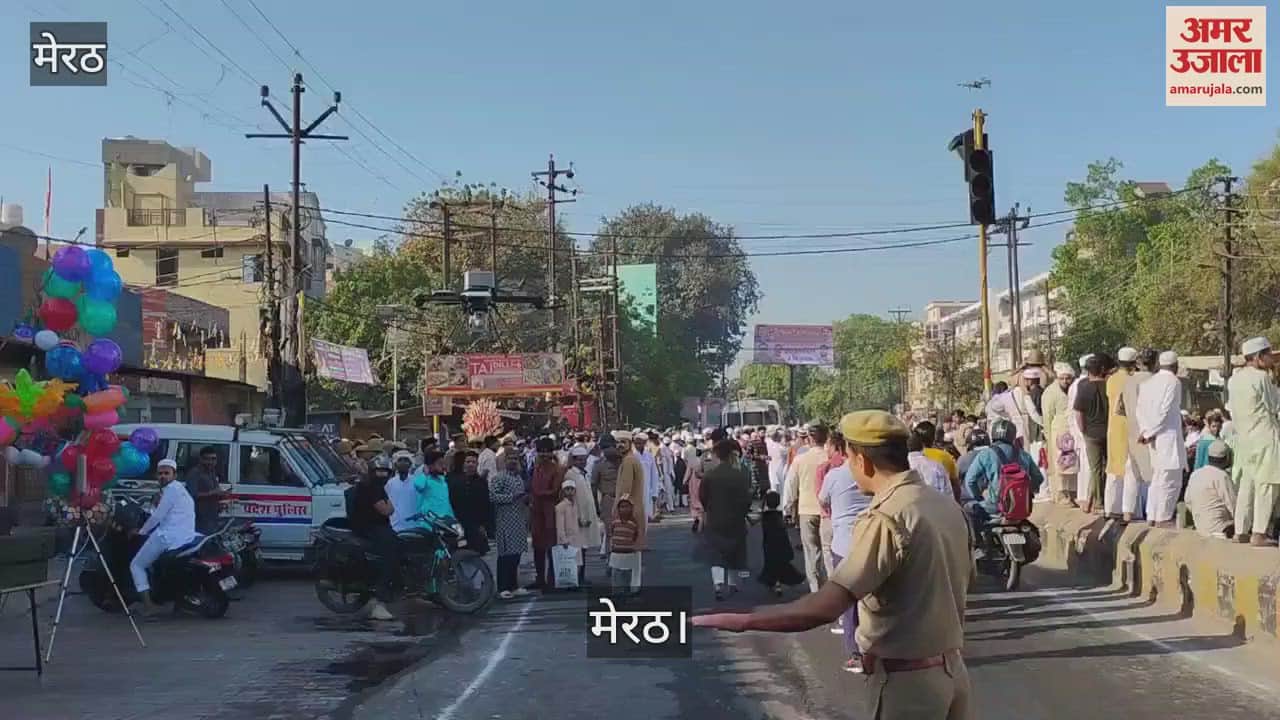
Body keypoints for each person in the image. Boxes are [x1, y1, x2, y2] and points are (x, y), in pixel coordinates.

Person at [693, 410, 974, 719]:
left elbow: (825, 607)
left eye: (849, 459)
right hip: (952, 670)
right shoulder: (943, 506)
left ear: (861, 460)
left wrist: (746, 621)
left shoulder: (887, 517)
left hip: (909, 685)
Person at [817, 430, 873, 670]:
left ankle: (855, 653)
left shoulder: (835, 475)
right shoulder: (871, 472)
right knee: (875, 597)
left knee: (848, 600)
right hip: (870, 541)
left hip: (843, 543)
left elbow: (822, 499)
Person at [1227, 337, 1280, 547]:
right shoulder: (1261, 377)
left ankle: (1240, 530)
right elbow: (1273, 405)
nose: (1270, 360)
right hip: (1265, 435)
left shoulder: (1234, 379)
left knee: (1247, 484)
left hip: (1245, 438)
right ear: (1258, 357)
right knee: (1267, 484)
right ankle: (1259, 532)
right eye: (1268, 355)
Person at [130, 459, 198, 617]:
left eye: (166, 473)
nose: (163, 476)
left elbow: (157, 517)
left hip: (168, 536)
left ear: (174, 475)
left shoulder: (172, 490)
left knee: (136, 565)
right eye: (160, 473)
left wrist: (141, 531)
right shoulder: (178, 489)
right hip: (185, 536)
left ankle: (149, 607)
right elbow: (162, 511)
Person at [963, 419, 1044, 551]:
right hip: (1021, 509)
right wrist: (1027, 494)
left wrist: (978, 498)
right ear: (1013, 435)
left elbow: (970, 480)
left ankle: (976, 545)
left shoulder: (986, 454)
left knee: (968, 508)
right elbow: (1038, 478)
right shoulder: (1024, 455)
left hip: (994, 508)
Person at [696, 439, 754, 601]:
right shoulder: (741, 474)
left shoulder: (710, 475)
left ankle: (718, 584)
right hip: (736, 519)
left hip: (715, 519)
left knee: (716, 553)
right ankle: (733, 583)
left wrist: (709, 510)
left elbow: (703, 497)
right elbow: (747, 497)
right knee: (734, 551)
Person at [1137, 351, 1185, 528]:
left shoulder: (1147, 383)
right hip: (1166, 435)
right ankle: (1163, 517)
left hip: (1151, 436)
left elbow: (1140, 410)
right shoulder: (1173, 381)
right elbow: (1165, 411)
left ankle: (1152, 514)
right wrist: (1151, 432)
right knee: (1170, 479)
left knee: (1157, 477)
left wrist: (1145, 431)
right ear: (1175, 365)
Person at [783, 423, 831, 593]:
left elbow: (790, 485)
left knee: (811, 551)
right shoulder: (830, 458)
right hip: (828, 510)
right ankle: (832, 586)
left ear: (809, 438)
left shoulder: (800, 459)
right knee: (828, 551)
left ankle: (815, 589)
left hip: (806, 509)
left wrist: (787, 508)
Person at [349, 456, 398, 620]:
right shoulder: (371, 487)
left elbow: (389, 508)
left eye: (385, 472)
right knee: (390, 557)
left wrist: (389, 507)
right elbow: (386, 510)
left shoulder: (376, 487)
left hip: (376, 527)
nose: (383, 475)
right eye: (379, 471)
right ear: (372, 471)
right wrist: (389, 507)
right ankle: (379, 600)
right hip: (370, 528)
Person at [489, 452, 530, 600]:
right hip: (505, 520)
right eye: (510, 458)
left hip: (518, 519)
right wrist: (511, 498)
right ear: (504, 461)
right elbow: (492, 496)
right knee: (505, 555)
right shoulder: (499, 477)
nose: (513, 461)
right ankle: (503, 587)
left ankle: (514, 586)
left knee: (516, 554)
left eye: (515, 458)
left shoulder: (518, 477)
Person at [1073, 354, 1110, 514]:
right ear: (1102, 369)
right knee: (1106, 467)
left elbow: (1078, 412)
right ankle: (1097, 500)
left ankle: (1096, 502)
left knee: (1095, 468)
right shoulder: (1109, 385)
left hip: (1091, 433)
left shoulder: (1083, 386)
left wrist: (1083, 429)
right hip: (1108, 431)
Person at [1104, 348, 1138, 519]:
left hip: (1113, 428)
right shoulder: (1133, 380)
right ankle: (1127, 511)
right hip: (1130, 428)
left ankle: (1110, 508)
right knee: (1130, 471)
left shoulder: (1111, 380)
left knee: (1113, 470)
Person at [1041, 363, 1078, 506]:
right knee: (1059, 463)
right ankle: (1061, 494)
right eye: (1062, 378)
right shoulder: (1050, 392)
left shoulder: (1074, 389)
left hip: (1072, 431)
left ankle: (1072, 493)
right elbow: (1047, 416)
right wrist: (1048, 435)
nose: (1065, 381)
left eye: (1068, 378)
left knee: (1072, 463)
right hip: (1057, 432)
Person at [529, 437, 564, 590]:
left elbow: (555, 491)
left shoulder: (557, 469)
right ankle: (539, 578)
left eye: (546, 451)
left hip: (550, 510)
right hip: (537, 511)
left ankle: (552, 579)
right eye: (540, 451)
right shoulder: (536, 467)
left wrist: (538, 493)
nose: (543, 454)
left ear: (551, 452)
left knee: (551, 545)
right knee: (537, 546)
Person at [1185, 440, 1236, 539]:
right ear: (1226, 458)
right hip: (1221, 528)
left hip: (1200, 527)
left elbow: (1188, 501)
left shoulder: (1195, 474)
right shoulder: (1222, 476)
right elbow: (1233, 505)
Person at [757, 490, 804, 597]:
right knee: (781, 565)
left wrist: (763, 501)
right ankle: (778, 584)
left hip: (769, 544)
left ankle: (774, 583)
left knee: (771, 565)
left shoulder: (765, 516)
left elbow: (758, 513)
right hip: (781, 544)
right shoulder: (780, 515)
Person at [446, 451, 492, 555]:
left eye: (473, 462)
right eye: (468, 462)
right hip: (459, 523)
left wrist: (484, 525)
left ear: (477, 464)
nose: (470, 464)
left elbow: (486, 505)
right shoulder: (454, 480)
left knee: (477, 553)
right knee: (460, 550)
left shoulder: (481, 482)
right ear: (464, 464)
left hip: (476, 524)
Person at [565, 445, 601, 572]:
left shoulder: (583, 474)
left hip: (586, 515)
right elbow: (570, 499)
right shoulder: (570, 475)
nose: (582, 462)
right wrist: (577, 517)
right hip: (577, 516)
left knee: (584, 547)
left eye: (584, 459)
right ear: (574, 460)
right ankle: (577, 577)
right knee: (577, 548)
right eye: (579, 459)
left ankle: (582, 576)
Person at [913, 421, 960, 501]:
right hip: (942, 502)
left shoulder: (909, 457)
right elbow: (955, 485)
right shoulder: (945, 456)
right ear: (934, 437)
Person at [184, 446, 224, 534]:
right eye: (207, 459)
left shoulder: (212, 472)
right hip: (199, 517)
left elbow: (214, 490)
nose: (211, 462)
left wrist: (221, 495)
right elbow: (191, 495)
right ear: (201, 459)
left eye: (213, 459)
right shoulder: (194, 473)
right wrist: (212, 493)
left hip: (211, 516)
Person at [555, 479, 586, 588]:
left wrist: (582, 523)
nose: (570, 491)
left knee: (577, 562)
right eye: (567, 489)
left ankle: (574, 583)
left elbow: (576, 520)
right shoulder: (560, 507)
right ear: (563, 491)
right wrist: (563, 540)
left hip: (576, 537)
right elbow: (559, 525)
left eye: (572, 489)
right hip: (567, 539)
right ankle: (568, 584)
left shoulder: (575, 505)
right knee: (568, 563)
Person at [608, 496, 642, 594]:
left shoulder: (633, 524)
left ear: (631, 508)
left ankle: (626, 591)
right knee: (616, 573)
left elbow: (635, 536)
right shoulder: (615, 522)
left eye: (627, 507)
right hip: (616, 553)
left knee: (627, 573)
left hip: (628, 553)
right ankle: (616, 592)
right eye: (622, 507)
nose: (624, 509)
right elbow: (611, 534)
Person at [385, 450, 422, 532]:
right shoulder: (390, 483)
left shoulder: (417, 481)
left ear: (410, 464)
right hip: (395, 526)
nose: (403, 463)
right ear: (395, 464)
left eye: (406, 460)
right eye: (400, 460)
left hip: (415, 525)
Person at [908, 432, 953, 498]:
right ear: (923, 446)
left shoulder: (900, 468)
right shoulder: (935, 465)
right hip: (939, 501)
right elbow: (948, 491)